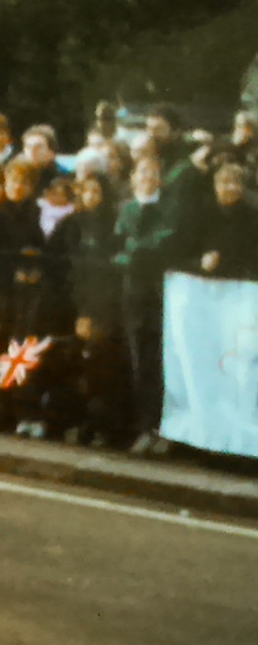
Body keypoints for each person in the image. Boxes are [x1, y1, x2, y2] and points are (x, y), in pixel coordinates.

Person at [114, 157, 179, 456]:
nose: (147, 177)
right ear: (133, 177)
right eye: (142, 172)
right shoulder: (125, 209)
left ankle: (162, 429)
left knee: (161, 361)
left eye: (153, 172)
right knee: (137, 360)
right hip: (131, 294)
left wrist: (137, 248)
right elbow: (118, 246)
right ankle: (142, 427)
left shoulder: (167, 210)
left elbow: (161, 244)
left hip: (160, 293)